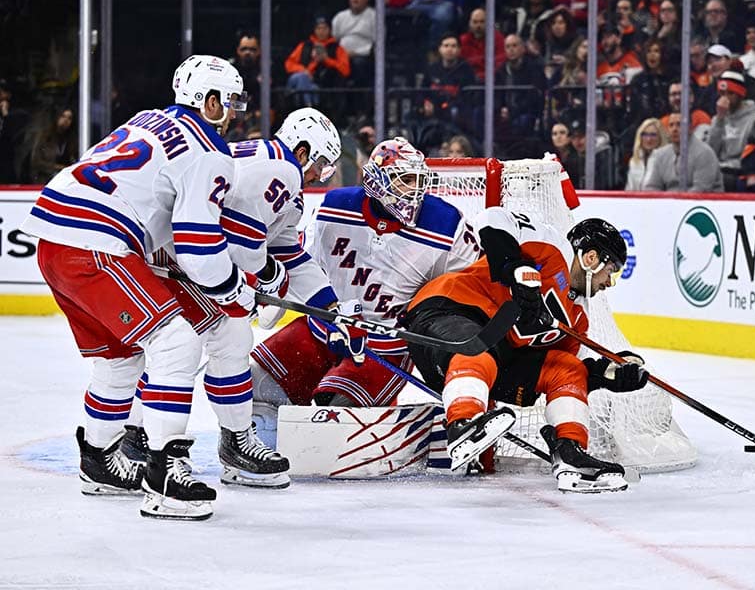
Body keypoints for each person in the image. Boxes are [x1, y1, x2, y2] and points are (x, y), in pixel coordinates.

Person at [19, 55, 251, 520]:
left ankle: (100, 460)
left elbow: (152, 210)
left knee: (119, 358)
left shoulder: (148, 119)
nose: (233, 113)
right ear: (209, 101)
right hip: (97, 244)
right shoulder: (210, 148)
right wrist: (233, 289)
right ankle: (164, 472)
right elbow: (199, 245)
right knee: (178, 341)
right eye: (229, 102)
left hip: (55, 239)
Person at [121, 107, 345, 490]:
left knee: (226, 342)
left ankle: (203, 440)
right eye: (321, 164)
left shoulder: (265, 164)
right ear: (303, 150)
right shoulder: (280, 169)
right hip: (186, 261)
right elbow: (244, 246)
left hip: (186, 259)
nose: (317, 175)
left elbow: (287, 250)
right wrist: (267, 276)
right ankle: (152, 442)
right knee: (186, 351)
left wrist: (328, 307)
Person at [403, 209, 649, 492]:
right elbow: (493, 218)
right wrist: (515, 267)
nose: (609, 283)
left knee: (568, 369)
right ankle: (463, 424)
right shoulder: (553, 248)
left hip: (492, 363)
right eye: (611, 272)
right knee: (481, 345)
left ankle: (570, 455)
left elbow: (574, 368)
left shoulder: (578, 317)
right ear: (592, 258)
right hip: (445, 313)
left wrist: (610, 372)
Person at [249, 137, 481, 417]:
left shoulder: (445, 222)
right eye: (405, 180)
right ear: (376, 180)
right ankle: (267, 451)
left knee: (336, 412)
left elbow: (470, 281)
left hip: (384, 347)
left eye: (419, 181)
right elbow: (301, 262)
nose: (415, 191)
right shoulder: (335, 206)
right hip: (322, 330)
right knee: (257, 386)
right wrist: (274, 298)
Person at [708, 68, 755, 191]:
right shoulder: (718, 118)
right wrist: (719, 120)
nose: (725, 98)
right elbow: (711, 152)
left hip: (739, 170)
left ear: (740, 95)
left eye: (730, 93)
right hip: (719, 169)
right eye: (722, 93)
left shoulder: (754, 119)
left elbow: (745, 152)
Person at [644, 112, 723, 192]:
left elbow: (701, 189)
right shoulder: (661, 154)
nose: (674, 129)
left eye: (679, 125)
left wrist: (675, 203)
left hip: (700, 203)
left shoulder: (705, 153)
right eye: (671, 125)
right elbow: (652, 186)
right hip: (669, 202)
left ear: (690, 128)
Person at [284, 17, 351, 109]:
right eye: (318, 28)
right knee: (301, 78)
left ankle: (304, 109)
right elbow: (289, 64)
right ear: (314, 30)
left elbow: (345, 70)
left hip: (321, 85)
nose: (321, 31)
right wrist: (304, 70)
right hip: (298, 79)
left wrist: (326, 59)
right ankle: (308, 108)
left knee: (311, 88)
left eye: (324, 28)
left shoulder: (337, 48)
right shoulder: (304, 45)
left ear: (329, 30)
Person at [331, 0, 376, 88]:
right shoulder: (340, 17)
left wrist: (356, 53)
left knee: (359, 65)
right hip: (341, 57)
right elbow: (334, 40)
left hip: (364, 58)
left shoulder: (374, 16)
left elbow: (377, 42)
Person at [29, 107, 77, 184]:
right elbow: (36, 161)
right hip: (44, 180)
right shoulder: (44, 137)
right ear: (57, 117)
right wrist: (59, 167)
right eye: (63, 116)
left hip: (65, 181)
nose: (66, 120)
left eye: (69, 118)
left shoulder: (71, 140)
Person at [626, 117, 668, 191]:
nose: (648, 139)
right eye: (644, 134)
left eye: (653, 135)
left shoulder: (667, 162)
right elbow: (629, 189)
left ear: (661, 137)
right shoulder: (634, 161)